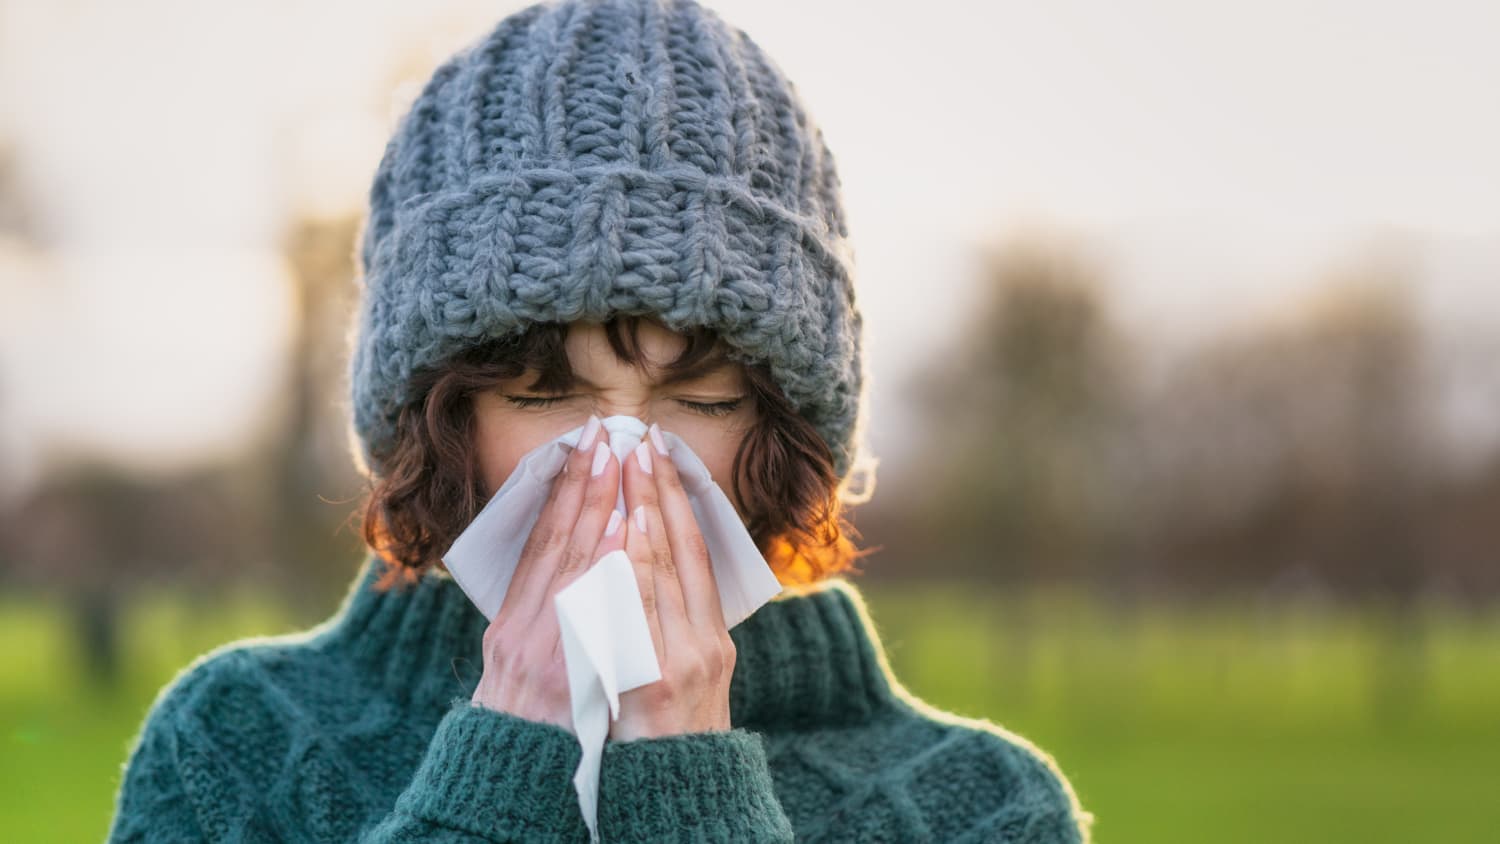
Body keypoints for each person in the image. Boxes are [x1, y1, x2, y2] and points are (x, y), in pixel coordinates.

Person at [106, 0, 1094, 840]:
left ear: (787, 428)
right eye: (543, 395)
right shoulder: (232, 747)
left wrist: (691, 787)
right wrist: (500, 765)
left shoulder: (984, 808)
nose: (621, 460)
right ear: (436, 419)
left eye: (701, 400)